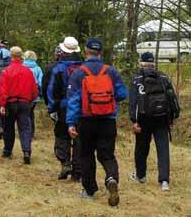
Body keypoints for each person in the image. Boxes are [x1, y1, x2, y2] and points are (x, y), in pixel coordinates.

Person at [66, 37, 128, 206]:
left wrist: (71, 123)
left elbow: (73, 100)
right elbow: (122, 94)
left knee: (86, 155)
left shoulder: (79, 72)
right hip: (108, 120)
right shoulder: (111, 71)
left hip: (85, 120)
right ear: (101, 53)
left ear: (86, 52)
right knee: (107, 155)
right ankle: (111, 178)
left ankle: (89, 190)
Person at [129, 52, 180, 191]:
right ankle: (164, 181)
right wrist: (173, 116)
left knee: (141, 147)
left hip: (143, 118)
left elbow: (133, 102)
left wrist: (134, 121)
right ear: (153, 63)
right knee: (163, 149)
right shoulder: (164, 77)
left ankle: (141, 175)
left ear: (141, 63)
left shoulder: (136, 79)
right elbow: (172, 98)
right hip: (162, 117)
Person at [47, 37, 83, 181]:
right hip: (81, 108)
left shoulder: (58, 69)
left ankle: (65, 162)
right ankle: (77, 172)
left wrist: (52, 109)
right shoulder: (84, 68)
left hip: (63, 107)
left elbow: (51, 91)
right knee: (79, 139)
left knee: (62, 136)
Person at [0, 46, 38, 165]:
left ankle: (7, 150)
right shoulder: (28, 71)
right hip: (24, 103)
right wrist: (30, 100)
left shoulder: (6, 71)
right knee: (25, 128)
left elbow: (3, 90)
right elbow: (34, 89)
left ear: (11, 56)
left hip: (10, 102)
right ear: (21, 56)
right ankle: (26, 151)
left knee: (9, 128)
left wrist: (2, 104)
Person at [23, 51, 43, 139]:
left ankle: (25, 132)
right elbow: (40, 82)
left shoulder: (22, 67)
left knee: (23, 114)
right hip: (34, 95)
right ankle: (31, 133)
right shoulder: (38, 69)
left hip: (23, 94)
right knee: (31, 113)